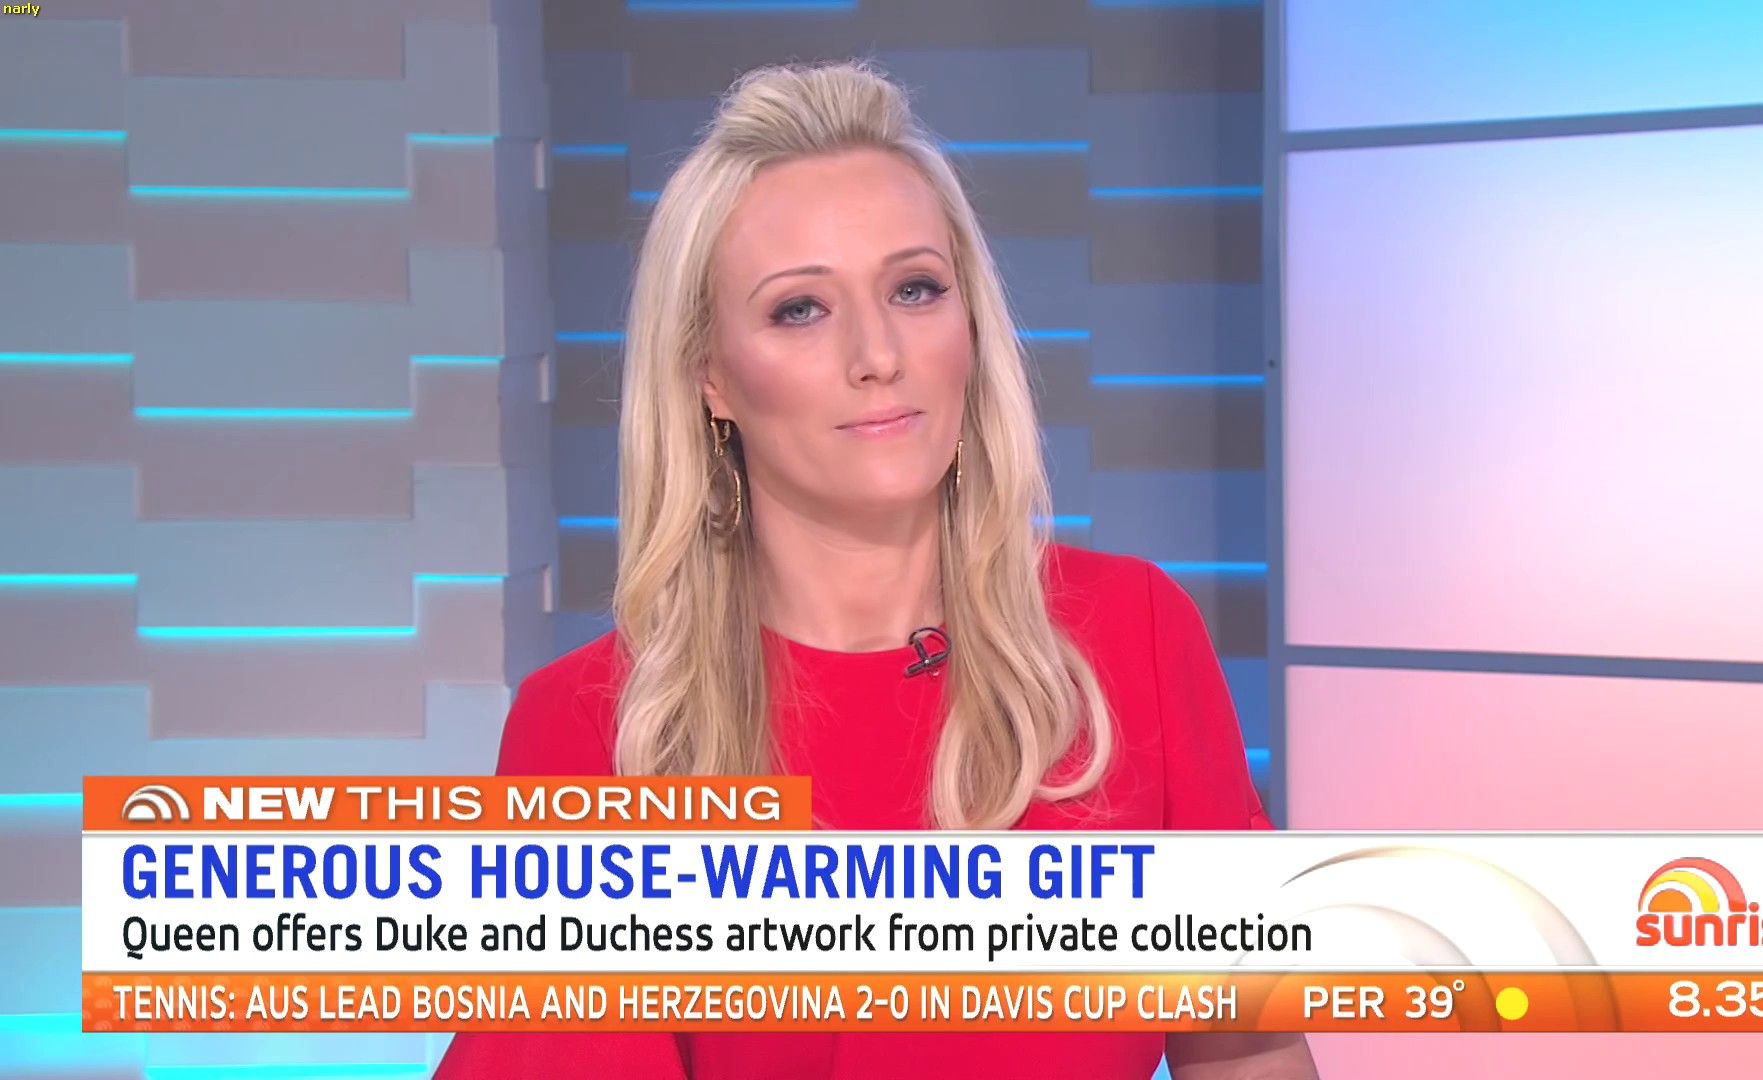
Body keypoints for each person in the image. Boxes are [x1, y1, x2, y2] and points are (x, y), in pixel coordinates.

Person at [436, 59, 1318, 1079]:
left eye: (914, 289)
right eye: (799, 309)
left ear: (969, 324)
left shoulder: (1133, 638)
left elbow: (1246, 1051)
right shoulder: (593, 728)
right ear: (710, 376)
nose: (879, 354)